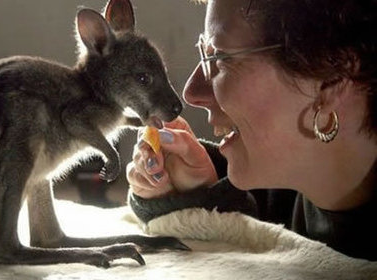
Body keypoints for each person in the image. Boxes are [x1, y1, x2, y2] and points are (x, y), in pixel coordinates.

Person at [126, 0, 376, 261]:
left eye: (220, 58)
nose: (190, 93)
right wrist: (197, 197)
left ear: (331, 80)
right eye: (203, 52)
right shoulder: (278, 186)